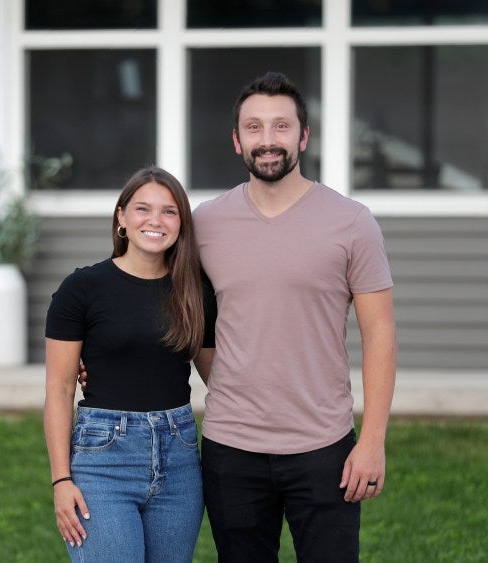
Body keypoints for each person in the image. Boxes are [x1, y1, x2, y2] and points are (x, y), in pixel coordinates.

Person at [193, 71, 397, 562]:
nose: (268, 141)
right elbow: (191, 321)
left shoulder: (352, 222)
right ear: (237, 141)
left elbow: (380, 334)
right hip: (231, 448)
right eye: (255, 128)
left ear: (303, 136)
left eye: (281, 127)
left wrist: (372, 442)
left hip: (324, 448)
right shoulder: (204, 223)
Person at [43, 166, 216, 561]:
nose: (155, 220)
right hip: (104, 461)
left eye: (169, 211)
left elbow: (220, 379)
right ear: (121, 217)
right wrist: (61, 480)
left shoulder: (194, 291)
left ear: (181, 223)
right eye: (142, 208)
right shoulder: (82, 289)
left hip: (180, 458)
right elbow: (59, 389)